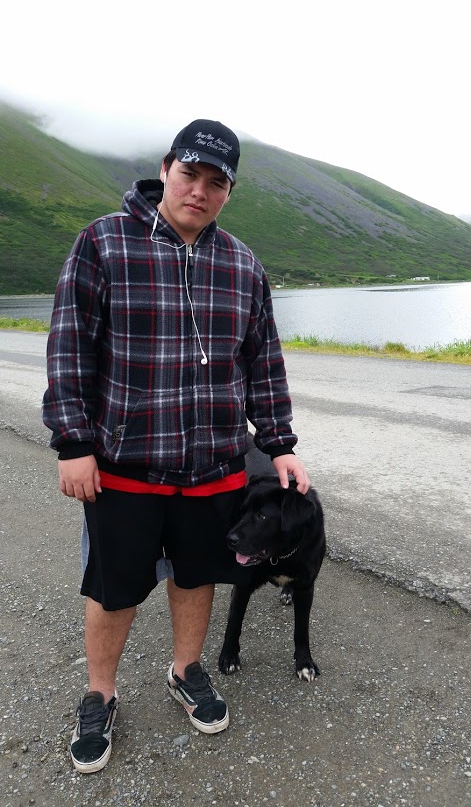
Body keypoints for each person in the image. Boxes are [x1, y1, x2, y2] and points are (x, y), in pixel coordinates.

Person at [42, 118, 310, 774]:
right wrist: (73, 442)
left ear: (229, 192)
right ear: (166, 169)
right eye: (190, 174)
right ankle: (100, 694)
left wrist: (279, 442)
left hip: (213, 465)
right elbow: (70, 347)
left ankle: (186, 669)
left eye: (217, 183)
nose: (200, 191)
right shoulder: (104, 242)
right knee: (114, 587)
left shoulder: (243, 264)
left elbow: (263, 363)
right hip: (123, 465)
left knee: (197, 574)